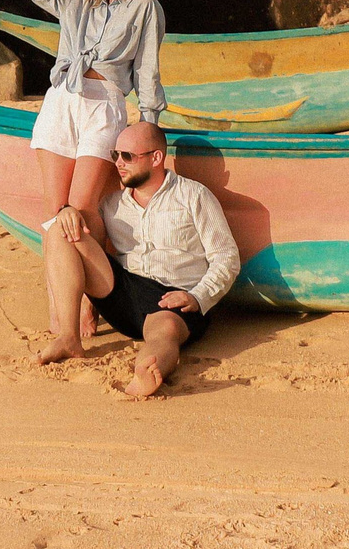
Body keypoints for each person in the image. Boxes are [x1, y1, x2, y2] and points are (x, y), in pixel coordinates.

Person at [22, 0, 166, 346]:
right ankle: (62, 306)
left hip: (104, 105)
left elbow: (148, 70)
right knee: (55, 211)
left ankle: (91, 299)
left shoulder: (144, 8)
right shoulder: (75, 3)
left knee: (82, 210)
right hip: (61, 102)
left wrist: (149, 129)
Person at [38, 120, 240, 400]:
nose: (119, 163)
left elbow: (227, 258)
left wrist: (197, 297)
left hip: (173, 300)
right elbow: (86, 246)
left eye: (128, 157)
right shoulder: (111, 204)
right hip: (123, 291)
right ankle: (69, 338)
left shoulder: (193, 195)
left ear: (156, 158)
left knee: (164, 333)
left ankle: (148, 368)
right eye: (116, 155)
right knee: (61, 229)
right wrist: (66, 211)